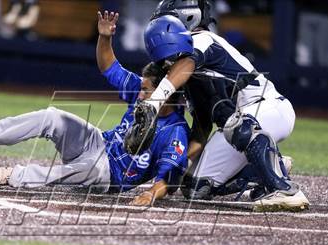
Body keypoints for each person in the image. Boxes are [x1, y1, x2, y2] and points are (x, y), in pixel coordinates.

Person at [0, 10, 190, 207]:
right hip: (97, 144)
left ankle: (13, 176)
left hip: (109, 176)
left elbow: (170, 176)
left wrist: (151, 195)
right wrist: (105, 38)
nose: (141, 93)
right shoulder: (140, 92)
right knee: (53, 117)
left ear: (165, 94)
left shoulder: (175, 131)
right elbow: (109, 67)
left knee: (83, 170)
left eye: (147, 90)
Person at [128, 6, 309, 210]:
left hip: (268, 108)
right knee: (195, 187)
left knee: (228, 117)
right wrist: (178, 162)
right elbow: (202, 128)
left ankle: (284, 189)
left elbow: (188, 62)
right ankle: (267, 168)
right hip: (240, 123)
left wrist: (154, 102)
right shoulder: (187, 78)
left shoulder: (202, 38)